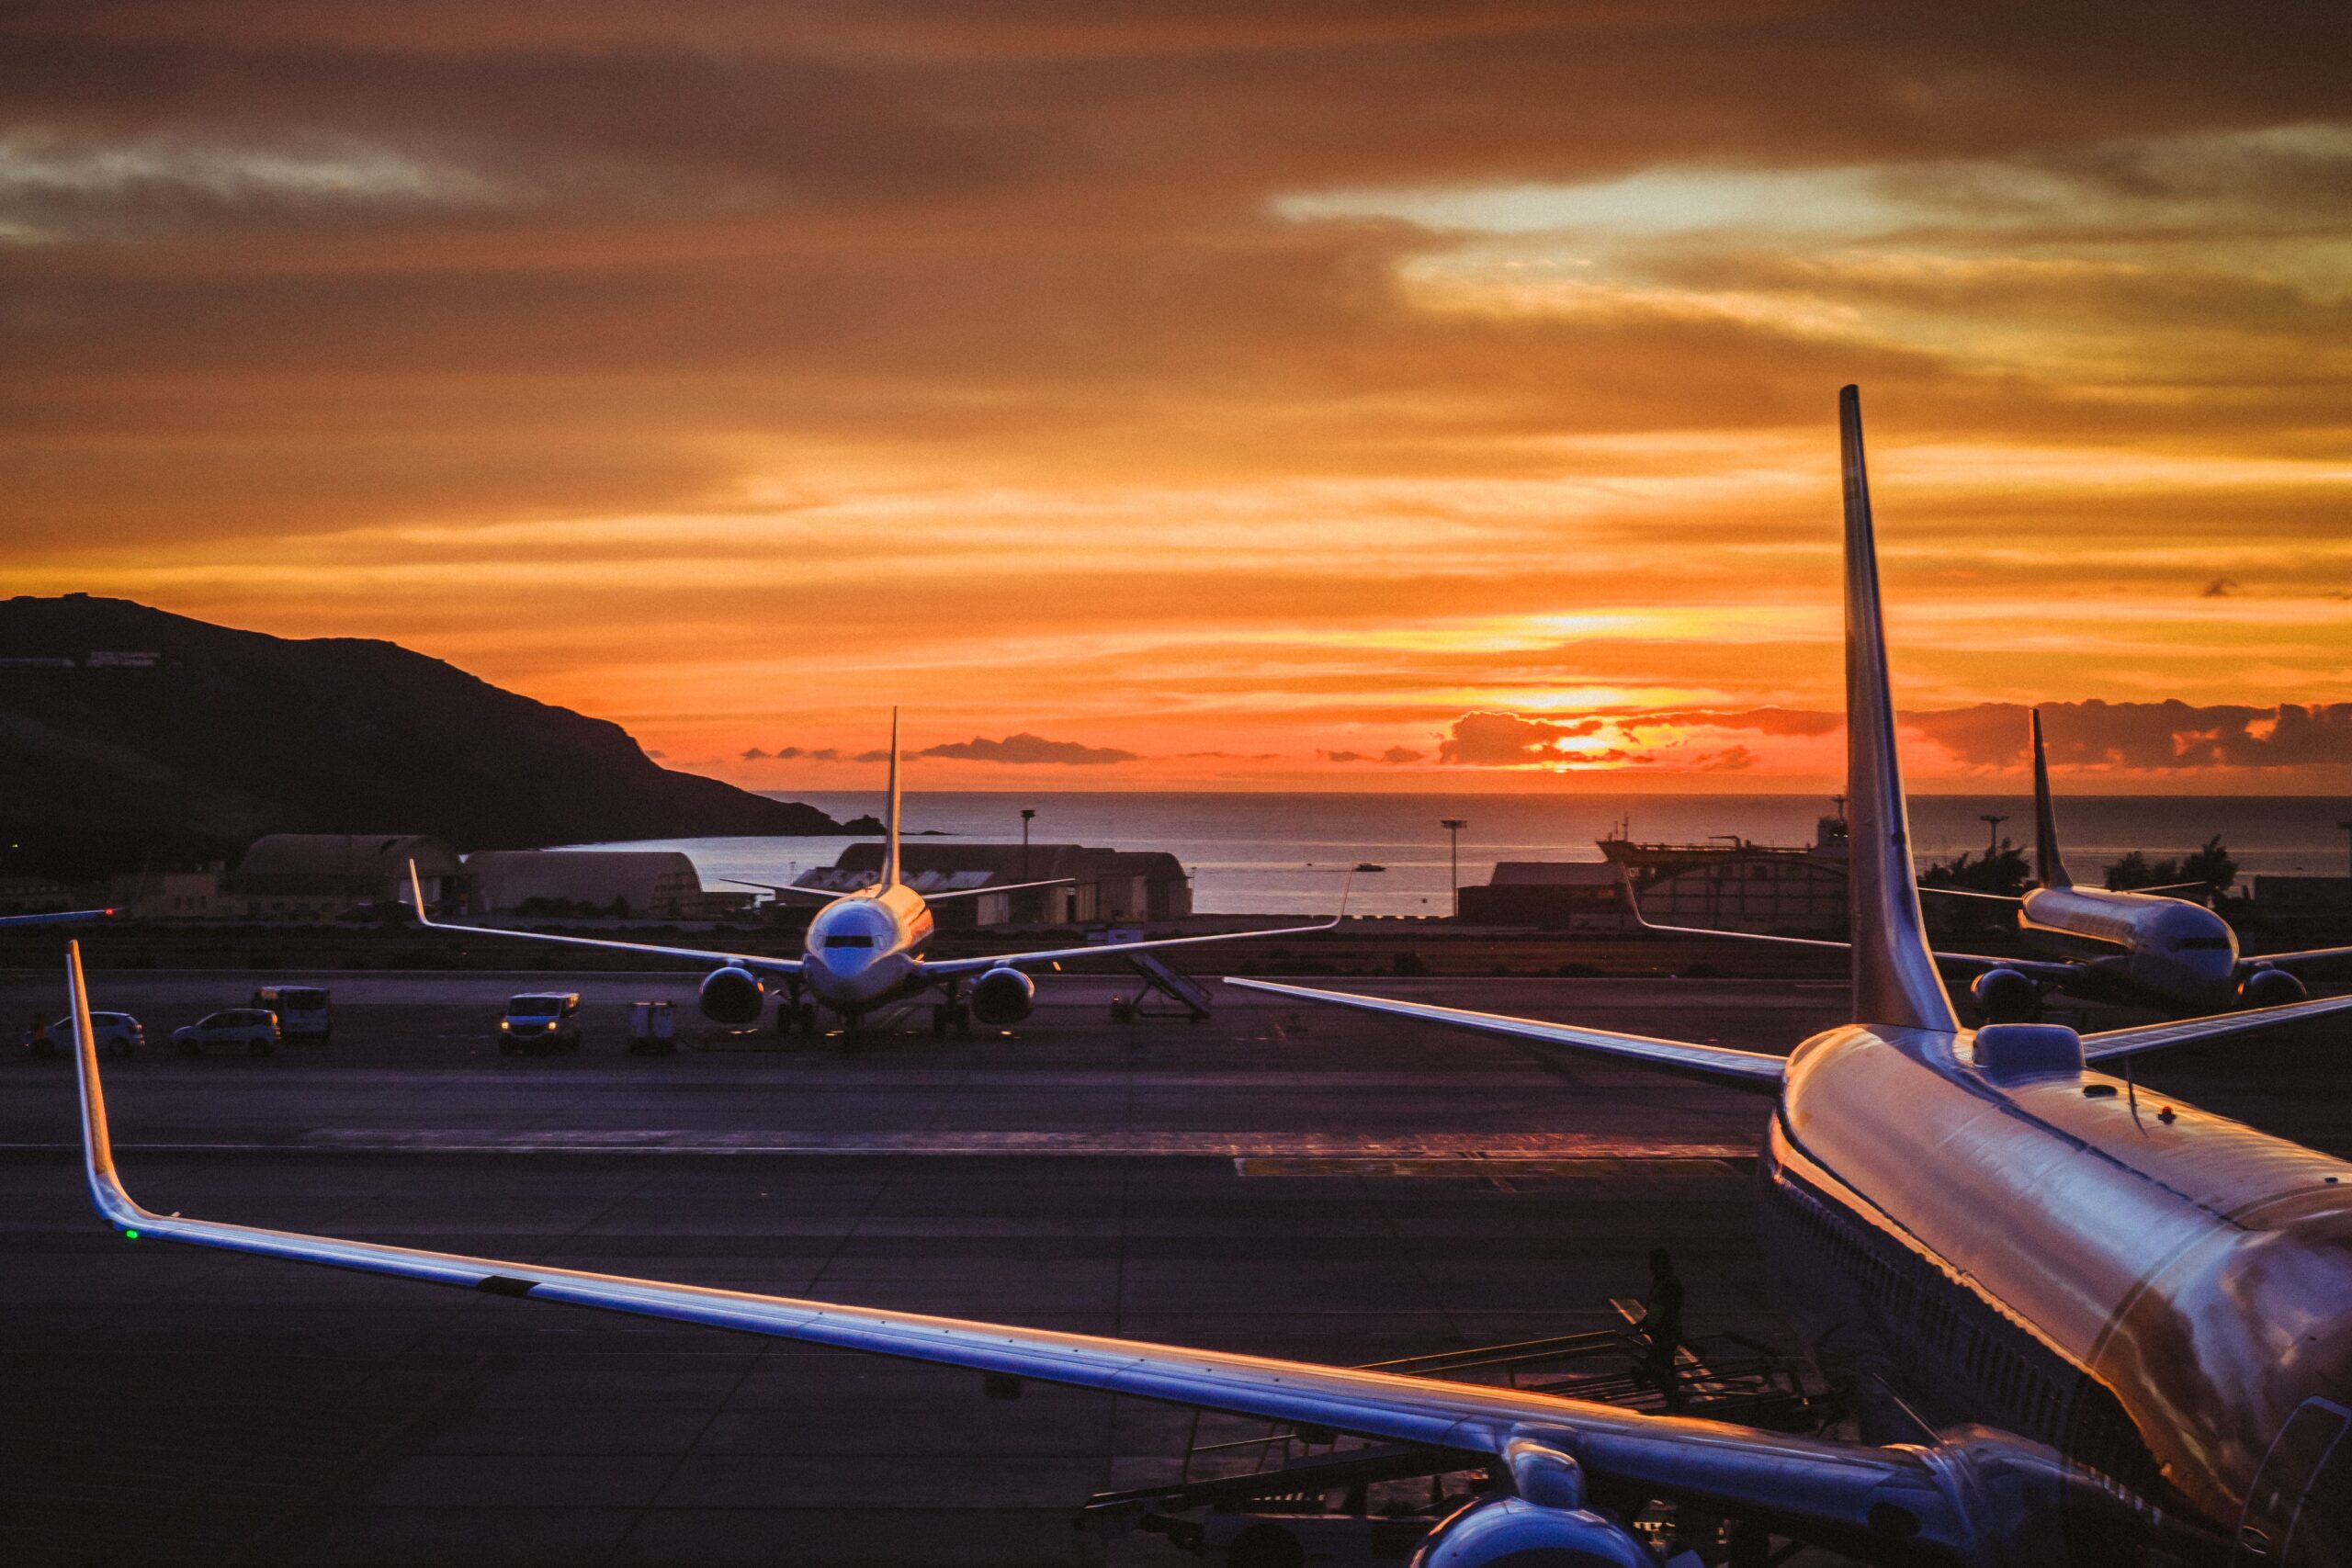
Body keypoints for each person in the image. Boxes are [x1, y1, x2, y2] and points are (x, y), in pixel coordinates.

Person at [1635, 1247, 1685, 1410]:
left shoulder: (1667, 1283)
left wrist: (1650, 1323)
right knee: (1665, 1365)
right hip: (1664, 1330)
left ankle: (1672, 1398)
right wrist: (1645, 1321)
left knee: (1658, 1364)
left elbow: (1662, 1308)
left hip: (1667, 1331)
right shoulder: (1663, 1281)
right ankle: (1674, 1399)